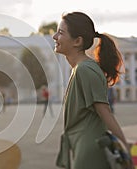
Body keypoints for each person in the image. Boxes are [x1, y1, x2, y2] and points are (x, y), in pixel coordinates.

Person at [53, 12, 132, 169]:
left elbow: (105, 113)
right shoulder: (80, 69)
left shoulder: (85, 70)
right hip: (82, 146)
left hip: (90, 151)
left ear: (77, 41)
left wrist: (125, 150)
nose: (55, 36)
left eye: (61, 32)